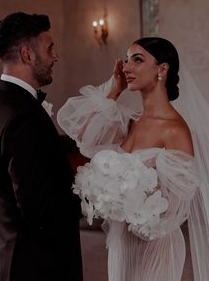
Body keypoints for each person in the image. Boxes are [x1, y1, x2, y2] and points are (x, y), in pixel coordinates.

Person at [57, 37, 209, 280]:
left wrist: (124, 197)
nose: (126, 67)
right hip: (122, 242)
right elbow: (85, 135)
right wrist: (114, 91)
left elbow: (176, 206)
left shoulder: (175, 130)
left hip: (157, 243)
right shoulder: (130, 121)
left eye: (137, 60)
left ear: (162, 69)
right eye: (127, 60)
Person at [0, 12, 83, 281]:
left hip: (16, 257)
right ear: (27, 54)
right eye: (49, 48)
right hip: (39, 265)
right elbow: (40, 210)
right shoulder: (23, 115)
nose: (55, 56)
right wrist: (91, 196)